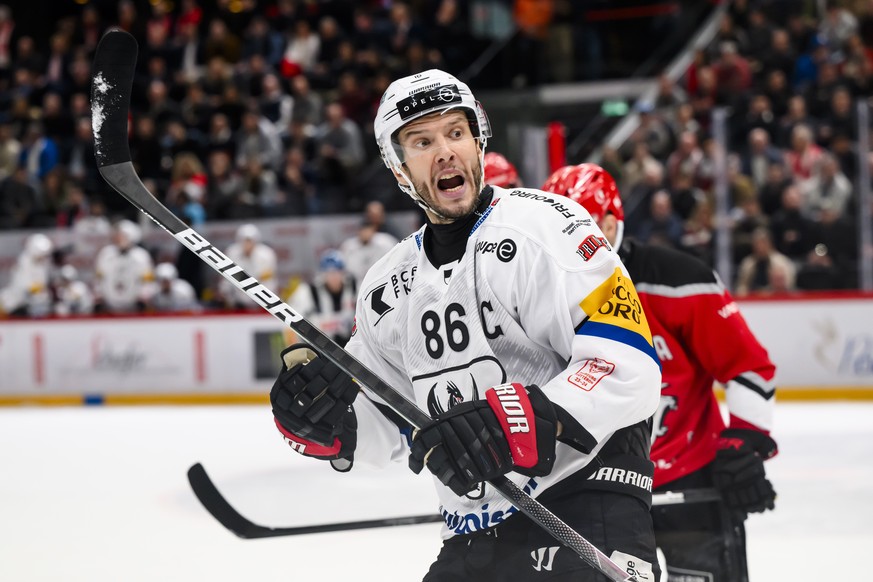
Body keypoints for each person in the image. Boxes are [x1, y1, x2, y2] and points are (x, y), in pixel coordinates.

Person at [268, 70, 662, 581]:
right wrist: (324, 423)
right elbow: (386, 421)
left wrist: (522, 417)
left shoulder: (550, 226)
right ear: (399, 169)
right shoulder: (387, 288)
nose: (446, 151)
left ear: (478, 142)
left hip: (584, 510)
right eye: (422, 142)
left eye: (456, 133)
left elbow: (628, 366)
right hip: (471, 539)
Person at [542, 163, 778, 582]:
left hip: (690, 476)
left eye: (586, 226)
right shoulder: (540, 295)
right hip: (597, 489)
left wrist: (744, 442)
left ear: (613, 221)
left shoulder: (678, 280)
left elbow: (746, 365)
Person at [286, 250, 357, 346]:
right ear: (323, 273)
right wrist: (300, 348)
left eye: (337, 272)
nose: (334, 277)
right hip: (319, 348)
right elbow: (291, 321)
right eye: (330, 273)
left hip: (351, 348)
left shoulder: (354, 288)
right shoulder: (309, 292)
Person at [93, 219, 154, 313]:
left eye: (122, 235)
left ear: (131, 236)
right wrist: (98, 296)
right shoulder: (106, 254)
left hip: (134, 307)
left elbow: (147, 280)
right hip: (109, 307)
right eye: (117, 235)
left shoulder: (141, 256)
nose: (118, 238)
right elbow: (98, 277)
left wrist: (143, 297)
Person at [219, 223, 277, 310]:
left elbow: (269, 281)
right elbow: (226, 279)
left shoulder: (267, 255)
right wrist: (227, 296)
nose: (247, 244)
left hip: (261, 302)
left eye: (250, 240)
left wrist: (267, 302)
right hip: (237, 302)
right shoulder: (232, 253)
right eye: (245, 240)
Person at [0, 233, 54, 317]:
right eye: (43, 254)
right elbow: (23, 286)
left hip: (34, 304)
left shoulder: (40, 264)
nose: (45, 257)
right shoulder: (25, 262)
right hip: (17, 305)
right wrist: (38, 288)